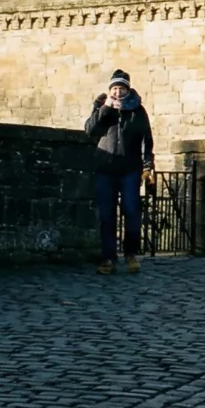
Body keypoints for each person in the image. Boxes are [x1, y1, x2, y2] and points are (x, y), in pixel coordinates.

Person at [85, 69, 154, 275]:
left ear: (127, 89)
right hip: (105, 168)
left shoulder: (137, 110)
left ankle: (131, 254)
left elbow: (146, 139)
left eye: (121, 88)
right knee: (106, 215)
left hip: (130, 169)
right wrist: (105, 109)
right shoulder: (101, 107)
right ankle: (108, 258)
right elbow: (90, 130)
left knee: (131, 210)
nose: (117, 92)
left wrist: (147, 166)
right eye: (114, 88)